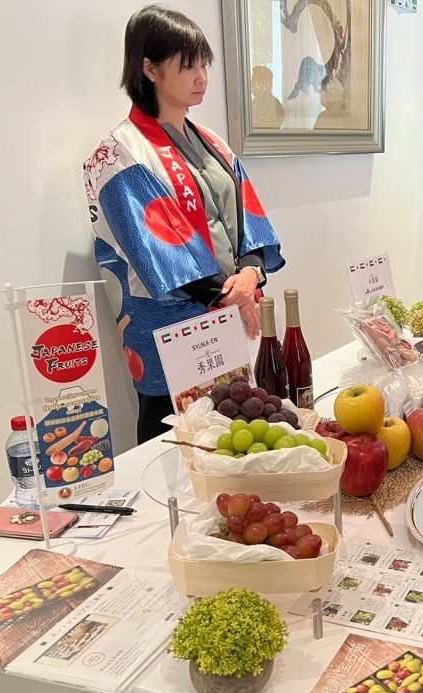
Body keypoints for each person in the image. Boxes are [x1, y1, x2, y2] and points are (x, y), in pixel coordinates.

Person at [84, 6, 283, 443]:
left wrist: (250, 273)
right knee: (172, 441)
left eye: (203, 64)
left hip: (232, 312)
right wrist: (236, 293)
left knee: (236, 431)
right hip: (170, 326)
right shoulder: (118, 153)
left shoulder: (212, 141)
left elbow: (248, 215)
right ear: (149, 68)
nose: (201, 77)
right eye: (187, 65)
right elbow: (157, 250)